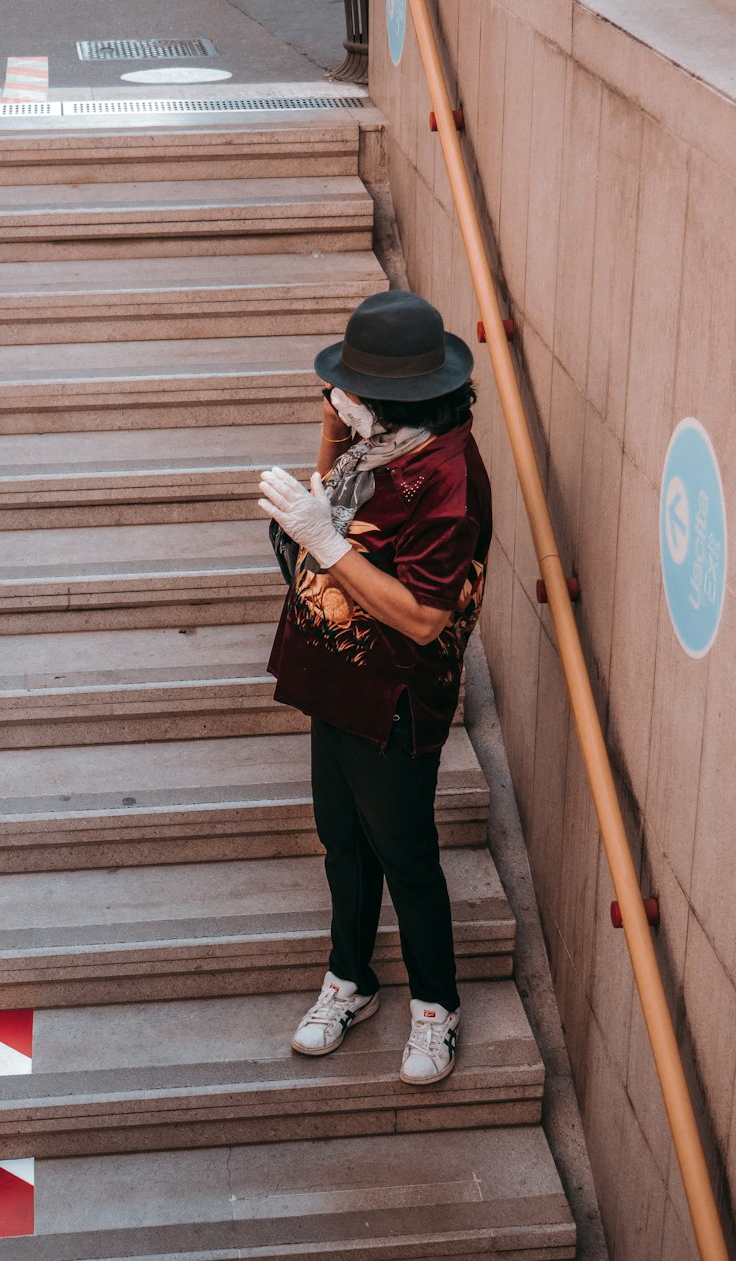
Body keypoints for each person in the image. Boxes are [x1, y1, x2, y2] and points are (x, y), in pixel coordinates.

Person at [257, 289, 492, 1085]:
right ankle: (349, 979)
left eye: (361, 391)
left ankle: (437, 1006)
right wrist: (331, 436)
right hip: (338, 675)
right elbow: (332, 499)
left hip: (397, 694)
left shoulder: (450, 477)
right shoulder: (381, 445)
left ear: (402, 398)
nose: (349, 400)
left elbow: (423, 618)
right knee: (343, 841)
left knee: (406, 854)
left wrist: (322, 544)